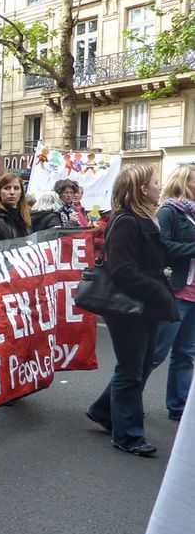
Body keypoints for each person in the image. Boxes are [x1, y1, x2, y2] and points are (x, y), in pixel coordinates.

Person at [86, 164, 178, 457]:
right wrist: (157, 290)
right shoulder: (126, 220)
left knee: (140, 364)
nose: (159, 186)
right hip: (128, 306)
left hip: (145, 305)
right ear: (142, 189)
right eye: (155, 182)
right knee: (131, 370)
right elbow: (123, 270)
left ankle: (104, 411)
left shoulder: (144, 218)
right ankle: (128, 436)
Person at [150, 164, 195, 421]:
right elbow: (163, 247)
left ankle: (178, 408)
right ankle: (122, 402)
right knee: (156, 353)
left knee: (185, 354)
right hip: (175, 292)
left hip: (193, 294)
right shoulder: (169, 211)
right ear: (182, 183)